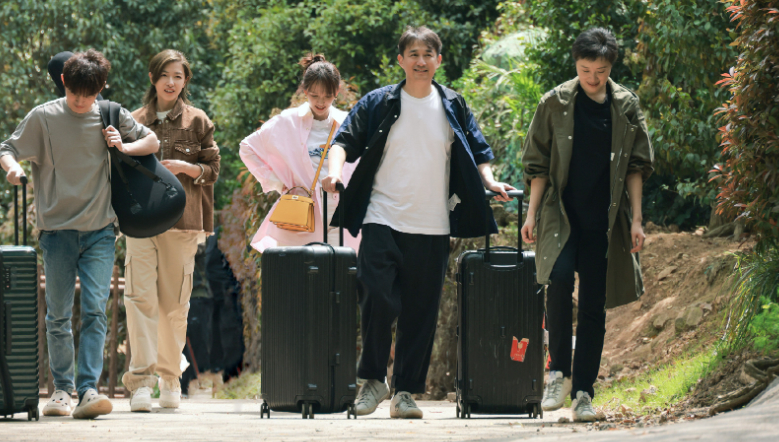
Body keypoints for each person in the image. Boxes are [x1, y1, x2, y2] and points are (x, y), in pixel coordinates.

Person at [322, 26, 515, 419]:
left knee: (420, 312)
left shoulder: (453, 104)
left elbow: (479, 151)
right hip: (382, 217)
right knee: (377, 295)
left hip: (432, 225)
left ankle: (405, 392)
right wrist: (333, 172)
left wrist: (490, 181)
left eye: (428, 54)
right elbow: (343, 142)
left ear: (438, 61)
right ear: (401, 60)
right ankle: (373, 380)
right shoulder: (379, 101)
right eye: (413, 54)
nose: (421, 61)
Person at [0, 49, 160, 419]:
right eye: (74, 93)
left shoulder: (110, 113)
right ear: (64, 82)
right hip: (56, 232)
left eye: (89, 95)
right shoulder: (43, 116)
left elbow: (152, 142)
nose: (81, 101)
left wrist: (123, 145)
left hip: (100, 231)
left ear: (101, 88)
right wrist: (12, 168)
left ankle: (88, 390)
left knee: (94, 312)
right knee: (57, 316)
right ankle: (61, 391)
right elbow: (8, 148)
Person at [521, 27, 653, 422]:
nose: (593, 78)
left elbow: (636, 167)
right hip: (561, 216)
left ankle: (583, 394)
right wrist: (531, 214)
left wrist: (637, 220)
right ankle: (558, 374)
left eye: (601, 71)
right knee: (558, 280)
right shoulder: (555, 102)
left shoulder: (626, 105)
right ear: (576, 64)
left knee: (594, 304)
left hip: (604, 221)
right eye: (585, 70)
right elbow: (537, 164)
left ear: (611, 67)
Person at [121, 49, 221, 412]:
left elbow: (213, 168)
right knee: (139, 299)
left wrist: (186, 168)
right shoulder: (132, 120)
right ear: (153, 78)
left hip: (182, 223)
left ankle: (169, 378)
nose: (171, 82)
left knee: (174, 306)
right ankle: (141, 382)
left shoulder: (198, 121)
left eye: (178, 76)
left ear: (185, 81)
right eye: (164, 75)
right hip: (140, 222)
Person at [240, 53, 361, 251]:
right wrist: (278, 183)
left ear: (337, 92)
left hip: (337, 213)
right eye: (314, 95)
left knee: (337, 267)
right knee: (297, 268)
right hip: (299, 214)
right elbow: (247, 147)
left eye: (327, 96)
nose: (321, 102)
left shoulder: (348, 123)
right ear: (305, 91)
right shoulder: (287, 121)